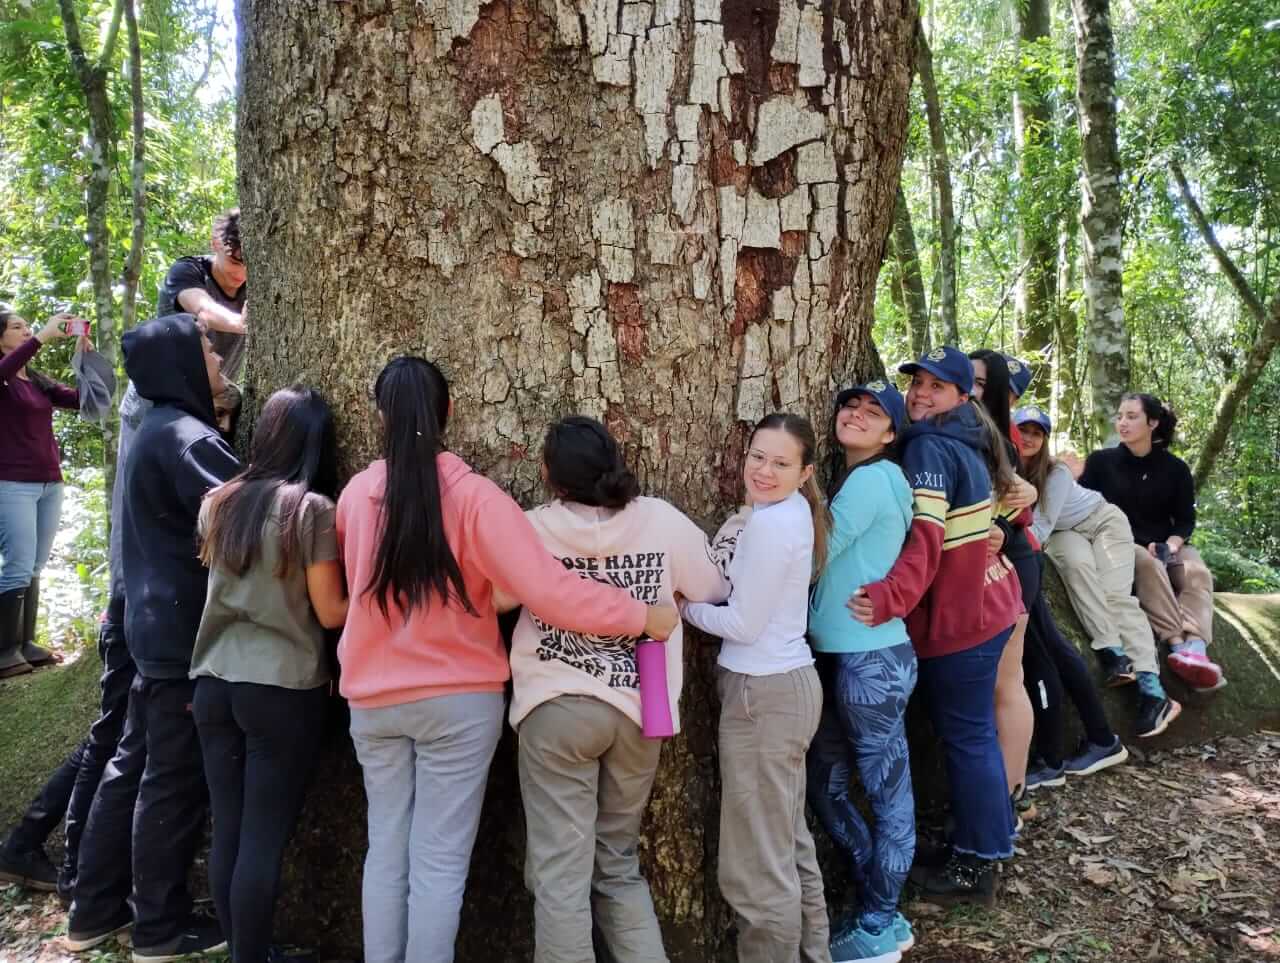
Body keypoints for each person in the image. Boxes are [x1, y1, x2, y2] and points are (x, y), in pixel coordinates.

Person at [335, 357, 678, 963]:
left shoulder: (355, 496)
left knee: (385, 849)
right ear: (448, 411)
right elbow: (549, 591)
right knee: (438, 860)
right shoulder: (474, 497)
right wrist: (638, 615)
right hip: (458, 701)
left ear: (380, 415)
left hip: (372, 700)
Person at [504, 416, 729, 963]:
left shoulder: (530, 530)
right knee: (617, 864)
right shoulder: (659, 519)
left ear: (548, 475)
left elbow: (495, 598)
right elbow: (714, 586)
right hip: (638, 709)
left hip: (556, 708)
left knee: (561, 873)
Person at [67, 315, 239, 957]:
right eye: (209, 352)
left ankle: (94, 908)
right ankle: (160, 928)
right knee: (171, 777)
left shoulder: (159, 430)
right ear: (181, 366)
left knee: (132, 763)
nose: (219, 361)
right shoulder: (188, 440)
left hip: (148, 622)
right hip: (178, 630)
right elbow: (252, 518)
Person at [851, 346, 1023, 906]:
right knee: (972, 734)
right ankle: (980, 841)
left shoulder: (928, 445)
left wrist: (890, 597)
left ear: (962, 395)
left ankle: (978, 865)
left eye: (936, 386)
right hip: (989, 603)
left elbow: (926, 537)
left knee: (969, 737)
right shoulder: (966, 435)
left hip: (963, 619)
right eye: (917, 383)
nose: (921, 394)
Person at [191, 386, 347, 963]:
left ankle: (243, 950)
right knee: (261, 837)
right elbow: (331, 612)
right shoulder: (311, 510)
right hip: (280, 688)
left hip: (213, 683)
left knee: (229, 829)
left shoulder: (218, 501)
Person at [680, 413, 833, 963]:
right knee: (786, 843)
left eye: (781, 463)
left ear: (805, 472)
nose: (764, 470)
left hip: (763, 695)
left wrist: (683, 607)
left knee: (756, 867)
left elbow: (743, 624)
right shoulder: (784, 514)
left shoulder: (773, 525)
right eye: (757, 457)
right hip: (782, 689)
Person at [806, 382, 917, 963]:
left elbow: (817, 548)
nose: (857, 415)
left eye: (874, 413)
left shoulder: (874, 479)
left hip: (870, 659)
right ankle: (883, 910)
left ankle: (877, 924)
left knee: (887, 792)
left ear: (890, 433)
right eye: (851, 406)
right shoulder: (867, 478)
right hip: (842, 654)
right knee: (827, 785)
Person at [1009, 406, 1135, 790]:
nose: (1028, 438)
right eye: (1023, 430)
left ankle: (1053, 758)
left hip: (1081, 530)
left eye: (1037, 433)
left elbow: (1040, 529)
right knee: (1053, 648)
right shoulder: (1005, 464)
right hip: (1035, 549)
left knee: (1043, 651)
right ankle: (1100, 738)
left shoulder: (1055, 473)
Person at [1070, 394, 1224, 692]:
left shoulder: (1176, 469)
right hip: (1122, 545)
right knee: (1149, 565)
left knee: (1198, 573)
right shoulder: (1101, 462)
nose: (1122, 423)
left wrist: (1172, 546)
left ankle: (1196, 648)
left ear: (1152, 423)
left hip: (1168, 543)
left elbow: (1184, 520)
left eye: (1132, 416)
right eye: (1120, 416)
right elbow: (1081, 506)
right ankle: (1177, 644)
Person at [967, 350, 1037, 819]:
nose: (966, 388)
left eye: (977, 382)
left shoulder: (1000, 440)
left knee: (1006, 682)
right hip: (985, 564)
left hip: (1011, 562)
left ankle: (1013, 794)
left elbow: (1014, 510)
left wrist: (1005, 529)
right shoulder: (948, 430)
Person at [0, 306, 85, 678]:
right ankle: (4, 650)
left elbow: (82, 400)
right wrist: (42, 336)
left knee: (34, 565)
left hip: (50, 482)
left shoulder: (35, 380)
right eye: (17, 326)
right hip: (12, 484)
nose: (26, 330)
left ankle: (25, 643)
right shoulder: (4, 375)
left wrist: (85, 357)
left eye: (28, 326)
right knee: (17, 565)